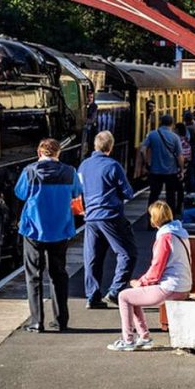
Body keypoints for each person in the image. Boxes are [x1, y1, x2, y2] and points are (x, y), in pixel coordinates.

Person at [14, 138, 82, 332]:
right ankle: (61, 320)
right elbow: (77, 192)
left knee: (33, 275)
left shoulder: (30, 171)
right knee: (59, 274)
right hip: (60, 229)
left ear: (39, 153)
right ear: (58, 153)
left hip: (34, 229)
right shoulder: (70, 172)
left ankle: (36, 322)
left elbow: (20, 193)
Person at [108, 201, 192, 351]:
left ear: (154, 220)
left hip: (171, 287)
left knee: (123, 296)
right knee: (134, 296)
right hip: (183, 286)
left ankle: (128, 340)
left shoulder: (165, 237)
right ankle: (144, 336)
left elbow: (156, 269)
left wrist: (140, 282)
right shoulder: (180, 234)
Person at [78, 131, 137, 309]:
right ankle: (115, 291)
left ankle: (92, 296)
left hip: (90, 218)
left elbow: (78, 191)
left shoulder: (84, 166)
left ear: (95, 146)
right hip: (110, 216)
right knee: (128, 253)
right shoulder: (113, 166)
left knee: (93, 257)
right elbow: (128, 192)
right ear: (110, 147)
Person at [142, 114, 184, 217]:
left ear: (160, 122)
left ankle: (150, 220)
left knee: (153, 195)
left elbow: (143, 149)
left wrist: (146, 163)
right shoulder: (175, 137)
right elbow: (179, 156)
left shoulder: (152, 135)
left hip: (155, 171)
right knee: (171, 196)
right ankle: (170, 218)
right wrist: (181, 169)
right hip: (171, 171)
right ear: (172, 124)